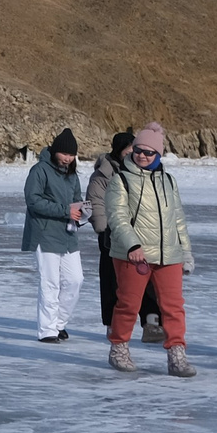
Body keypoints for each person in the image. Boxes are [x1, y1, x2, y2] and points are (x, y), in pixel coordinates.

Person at [102, 124, 196, 376]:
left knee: (174, 307)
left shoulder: (168, 181)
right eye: (138, 150)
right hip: (134, 255)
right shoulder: (120, 180)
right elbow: (117, 217)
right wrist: (133, 245)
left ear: (159, 155)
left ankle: (177, 355)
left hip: (169, 255)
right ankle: (119, 347)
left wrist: (185, 252)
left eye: (149, 152)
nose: (142, 155)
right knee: (128, 305)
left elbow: (178, 219)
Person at [90, 132, 164, 342]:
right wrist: (106, 230)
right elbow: (97, 203)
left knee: (147, 281)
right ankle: (113, 325)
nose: (134, 153)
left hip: (141, 236)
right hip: (112, 237)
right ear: (119, 150)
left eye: (137, 149)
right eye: (130, 149)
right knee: (113, 283)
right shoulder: (103, 174)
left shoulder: (143, 172)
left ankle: (151, 323)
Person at [21, 131, 86, 341]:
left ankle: (59, 324)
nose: (67, 158)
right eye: (64, 153)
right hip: (45, 233)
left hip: (67, 235)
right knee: (50, 283)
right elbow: (33, 201)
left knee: (75, 280)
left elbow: (77, 200)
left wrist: (81, 214)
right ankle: (47, 330)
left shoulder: (72, 175)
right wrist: (64, 211)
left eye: (71, 155)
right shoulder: (40, 170)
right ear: (55, 150)